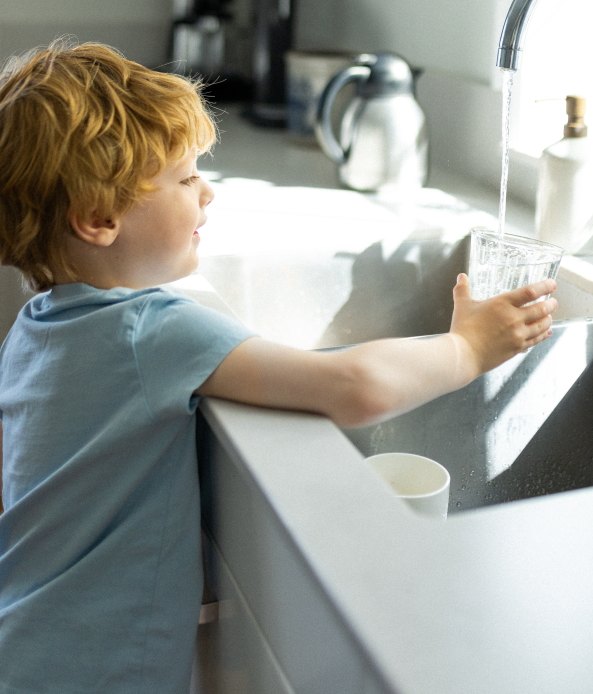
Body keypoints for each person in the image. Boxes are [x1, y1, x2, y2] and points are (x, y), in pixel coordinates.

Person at [0, 42, 557, 694]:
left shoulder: (35, 325)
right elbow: (355, 387)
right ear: (98, 219)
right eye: (184, 178)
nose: (207, 191)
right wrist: (467, 349)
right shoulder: (148, 329)